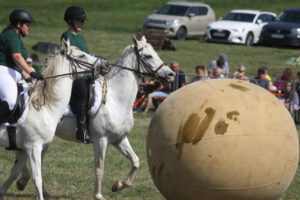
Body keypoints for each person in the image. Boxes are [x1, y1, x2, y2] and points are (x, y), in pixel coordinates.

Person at [61, 5, 109, 144]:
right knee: (82, 96)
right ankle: (81, 130)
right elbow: (69, 55)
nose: (81, 23)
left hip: (88, 73)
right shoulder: (67, 35)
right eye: (78, 20)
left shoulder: (81, 37)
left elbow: (86, 55)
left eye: (82, 21)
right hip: (77, 75)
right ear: (70, 21)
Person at [0, 9, 44, 150]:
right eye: (28, 24)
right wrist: (31, 72)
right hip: (3, 71)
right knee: (11, 99)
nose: (29, 28)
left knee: (26, 99)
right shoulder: (10, 35)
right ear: (19, 24)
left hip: (13, 74)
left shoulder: (17, 38)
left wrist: (33, 79)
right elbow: (17, 58)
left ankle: (13, 136)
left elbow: (19, 67)